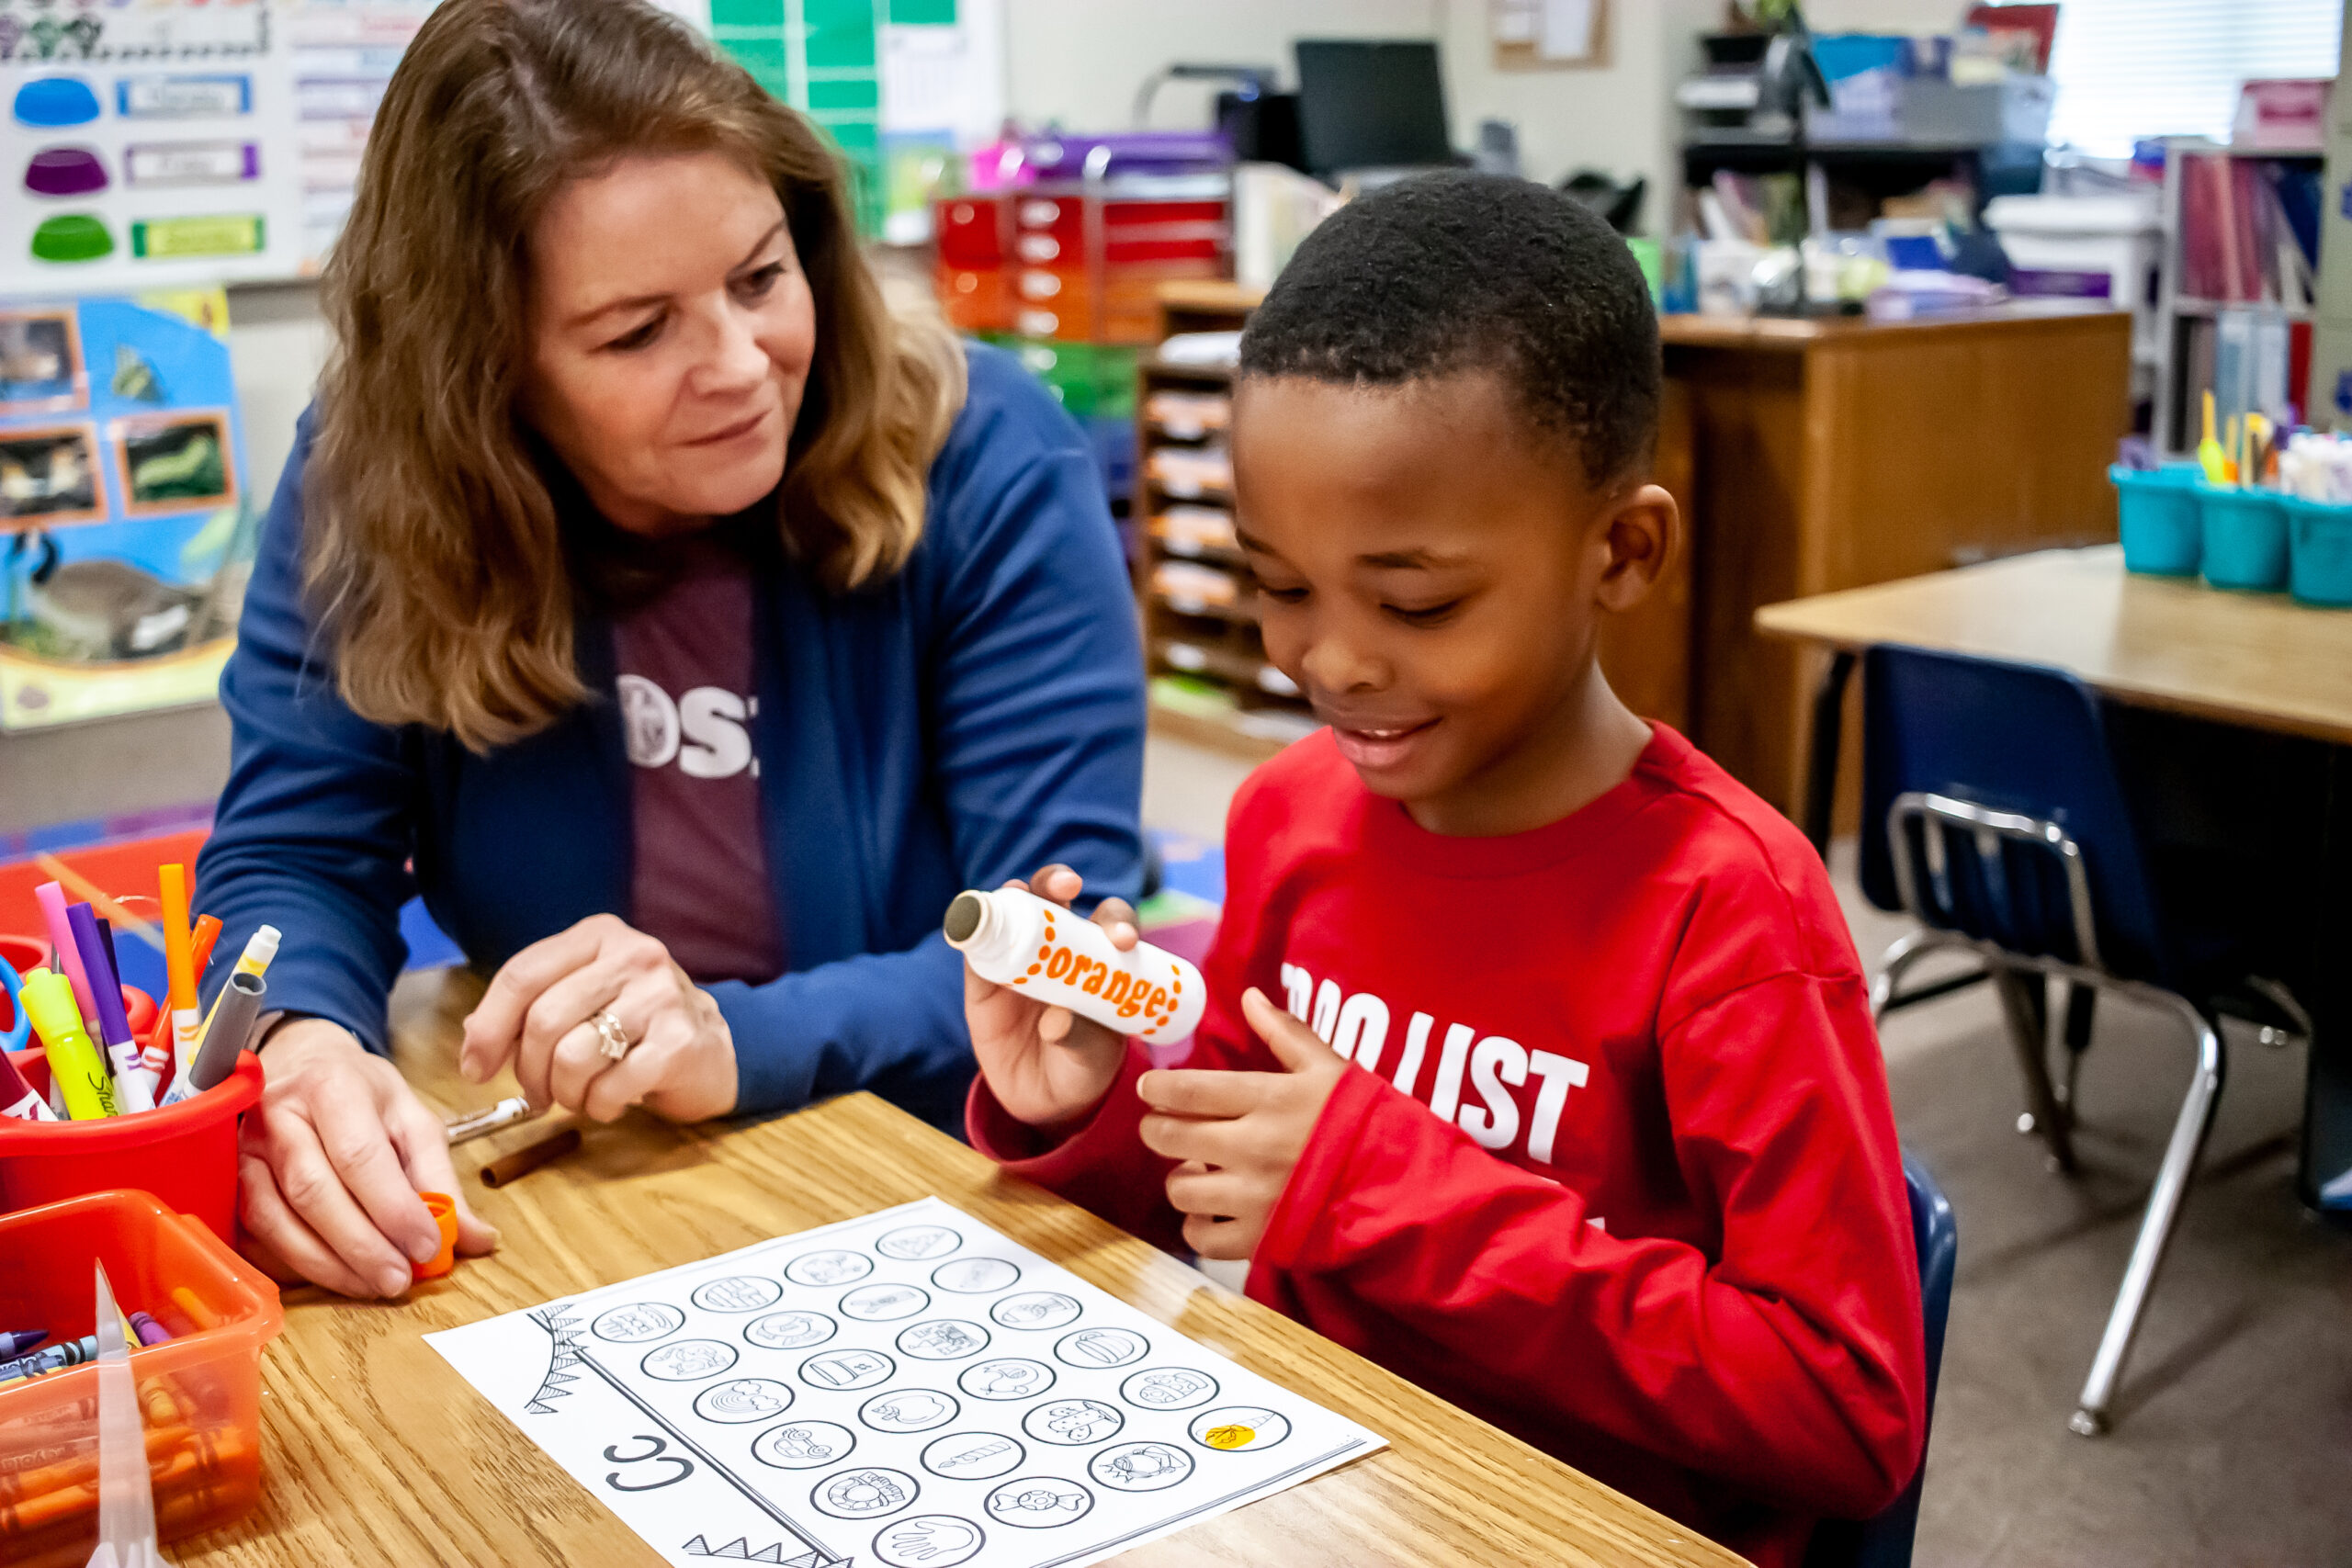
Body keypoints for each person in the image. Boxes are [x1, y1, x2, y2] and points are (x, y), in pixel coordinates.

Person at [961, 174, 1925, 1567]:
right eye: (1281, 587)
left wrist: (1381, 1190)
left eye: (1417, 602)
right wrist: (1095, 1107)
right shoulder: (1294, 815)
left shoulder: (1731, 914)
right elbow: (1220, 1172)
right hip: (1314, 1489)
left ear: (1622, 551)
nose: (1332, 663)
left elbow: (1847, 1413)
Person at [193, 0, 1143, 1300]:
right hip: (583, 1188)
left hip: (928, 1179)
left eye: (762, 277)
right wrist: (299, 1042)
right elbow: (293, 851)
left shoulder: (992, 459)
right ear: (485, 381)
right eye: (638, 333)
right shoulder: (376, 480)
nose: (744, 365)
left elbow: (1069, 962)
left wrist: (728, 1040)